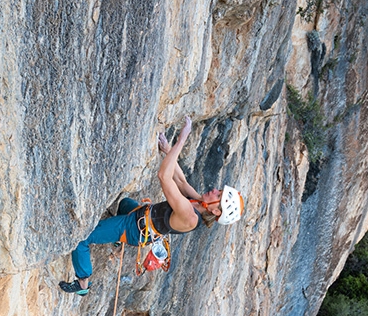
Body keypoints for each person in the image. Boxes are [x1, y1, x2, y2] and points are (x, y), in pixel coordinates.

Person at [59, 116, 244, 295]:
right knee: (124, 203)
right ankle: (115, 236)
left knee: (81, 238)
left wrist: (182, 139)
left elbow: (164, 176)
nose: (214, 190)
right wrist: (167, 149)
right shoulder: (199, 204)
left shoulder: (190, 216)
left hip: (134, 229)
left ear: (216, 210)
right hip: (140, 216)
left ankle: (82, 283)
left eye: (218, 195)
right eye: (219, 190)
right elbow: (181, 181)